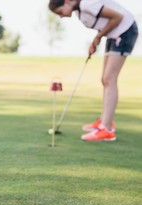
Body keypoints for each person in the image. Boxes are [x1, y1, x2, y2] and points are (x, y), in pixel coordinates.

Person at [48, 0, 138, 141]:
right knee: (105, 79)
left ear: (66, 2)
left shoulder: (87, 4)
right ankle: (105, 120)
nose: (61, 16)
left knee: (109, 79)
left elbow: (117, 17)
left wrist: (98, 37)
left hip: (125, 31)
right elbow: (102, 23)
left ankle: (106, 129)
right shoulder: (79, 11)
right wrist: (95, 42)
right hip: (114, 34)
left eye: (60, 12)